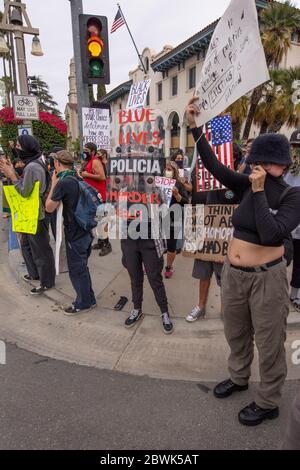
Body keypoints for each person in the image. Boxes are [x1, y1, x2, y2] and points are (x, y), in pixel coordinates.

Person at [186, 97, 300, 426]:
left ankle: (268, 401)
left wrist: (261, 191)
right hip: (234, 273)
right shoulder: (247, 184)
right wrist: (195, 128)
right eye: (253, 162)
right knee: (235, 331)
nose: (253, 168)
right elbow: (213, 166)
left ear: (279, 165)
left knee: (269, 340)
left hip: (267, 278)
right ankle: (238, 377)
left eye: (260, 163)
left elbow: (270, 233)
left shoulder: (291, 195)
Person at [0, 135, 56, 294]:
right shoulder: (36, 161)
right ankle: (34, 274)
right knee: (26, 244)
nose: (16, 148)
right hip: (31, 212)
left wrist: (12, 175)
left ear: (27, 147)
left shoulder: (32, 167)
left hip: (36, 213)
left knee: (40, 249)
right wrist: (12, 171)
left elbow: (25, 192)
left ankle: (46, 281)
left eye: (19, 145)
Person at [119, 176, 173, 334]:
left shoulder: (156, 190)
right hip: (129, 242)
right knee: (135, 279)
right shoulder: (123, 191)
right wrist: (124, 249)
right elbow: (121, 219)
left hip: (150, 242)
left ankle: (164, 312)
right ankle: (137, 309)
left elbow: (165, 214)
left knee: (155, 279)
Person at [45, 150, 96, 315]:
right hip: (86, 230)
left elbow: (49, 207)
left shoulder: (63, 182)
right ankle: (90, 298)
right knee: (83, 267)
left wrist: (53, 183)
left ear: (58, 164)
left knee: (76, 269)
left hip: (74, 233)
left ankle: (82, 303)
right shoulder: (77, 177)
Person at [186, 186, 239, 322]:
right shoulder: (204, 182)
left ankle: (224, 308)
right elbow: (194, 207)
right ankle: (200, 306)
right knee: (203, 275)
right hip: (204, 237)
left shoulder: (234, 183)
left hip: (223, 240)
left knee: (224, 279)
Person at [81, 143, 112, 256]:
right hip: (92, 197)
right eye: (84, 149)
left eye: (87, 150)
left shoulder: (95, 161)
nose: (84, 152)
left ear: (93, 152)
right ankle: (100, 242)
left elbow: (102, 177)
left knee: (102, 221)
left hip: (99, 197)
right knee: (97, 221)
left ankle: (107, 245)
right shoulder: (89, 161)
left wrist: (86, 175)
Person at [163, 161, 189, 279]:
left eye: (170, 169)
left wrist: (177, 195)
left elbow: (185, 201)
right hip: (159, 217)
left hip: (174, 218)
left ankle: (169, 266)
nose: (167, 171)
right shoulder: (159, 182)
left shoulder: (178, 184)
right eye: (166, 169)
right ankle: (151, 264)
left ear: (174, 171)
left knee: (171, 246)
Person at [285, 130, 300, 312]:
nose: (296, 151)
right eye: (294, 147)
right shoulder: (284, 167)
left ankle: (294, 294)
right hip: (286, 224)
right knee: (283, 260)